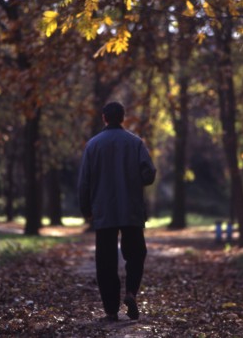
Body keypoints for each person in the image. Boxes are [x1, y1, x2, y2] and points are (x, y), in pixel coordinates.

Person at [77, 101, 156, 322]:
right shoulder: (135, 143)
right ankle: (130, 292)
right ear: (123, 118)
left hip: (103, 211)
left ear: (104, 117)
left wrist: (86, 209)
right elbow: (149, 174)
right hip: (131, 209)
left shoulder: (93, 145)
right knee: (136, 254)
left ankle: (111, 309)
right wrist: (133, 178)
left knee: (106, 260)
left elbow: (84, 181)